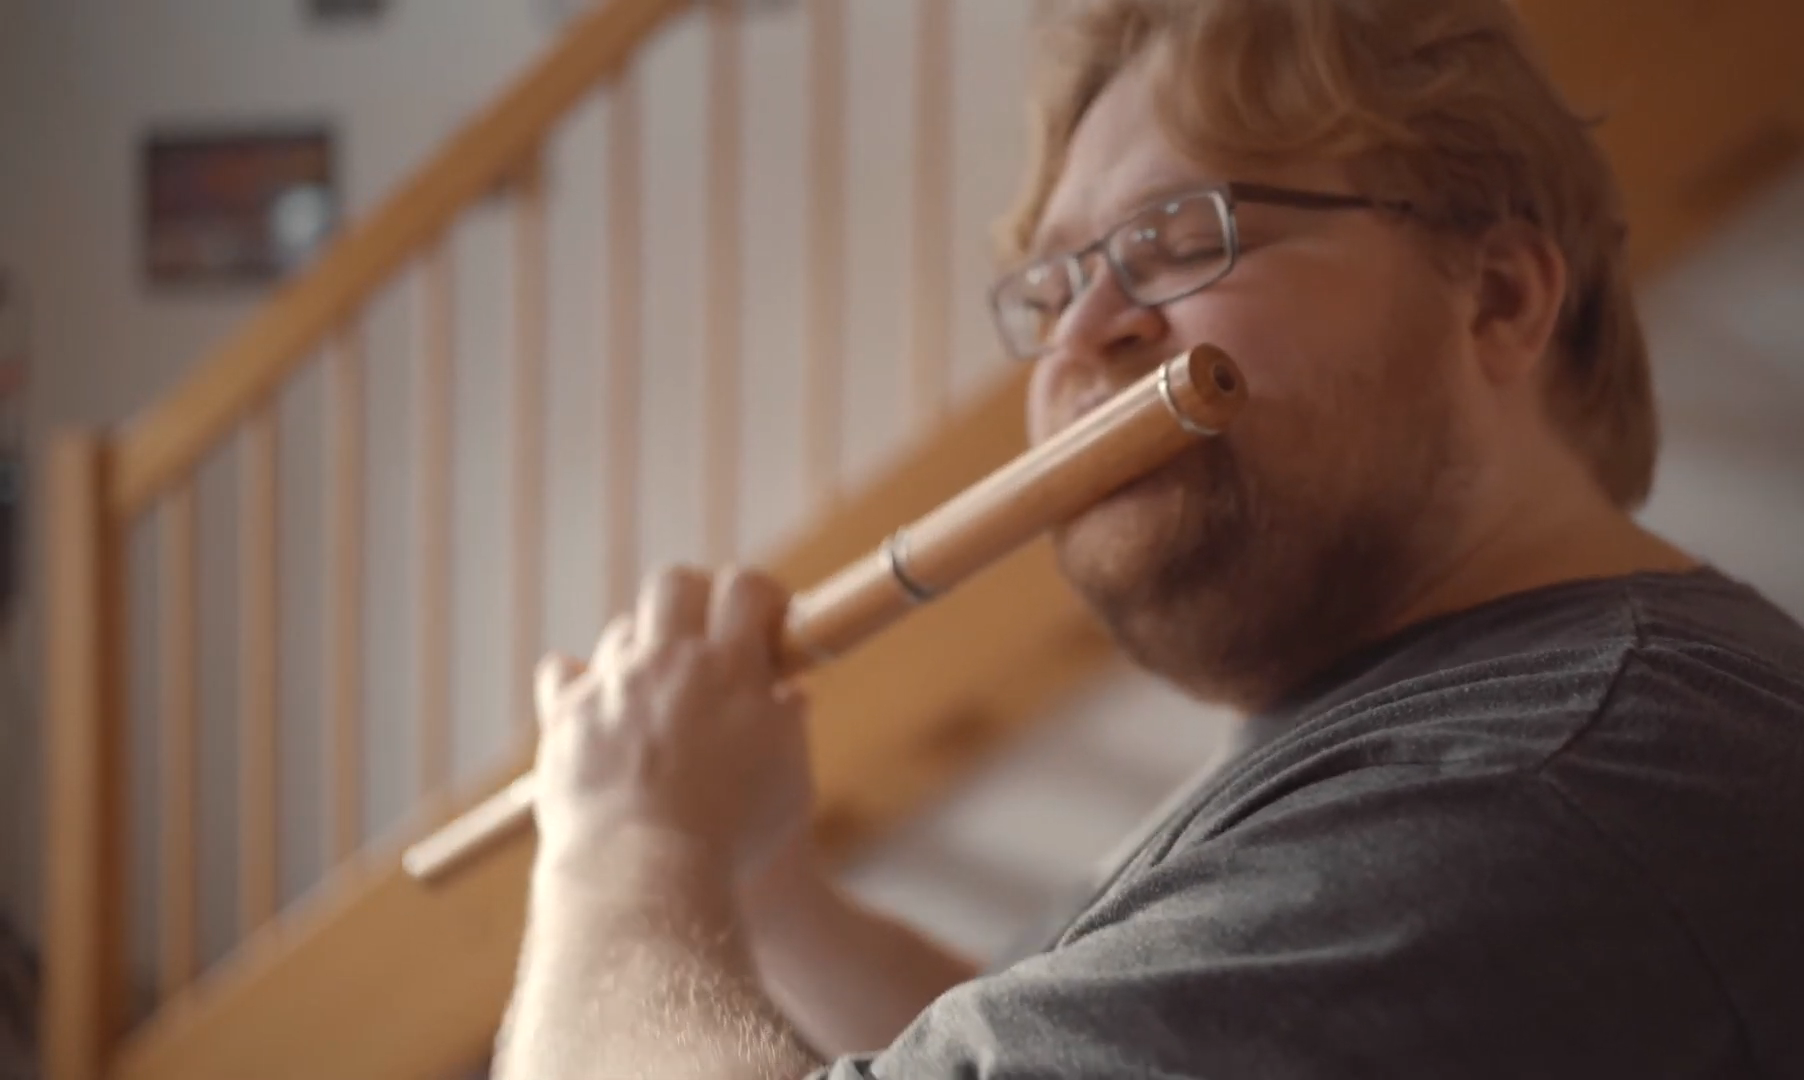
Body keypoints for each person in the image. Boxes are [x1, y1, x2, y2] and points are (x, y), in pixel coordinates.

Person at [491, 0, 1804, 1076]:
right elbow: (1058, 1038)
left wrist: (621, 845)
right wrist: (764, 884)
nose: (1077, 340)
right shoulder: (1451, 728)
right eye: (1054, 285)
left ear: (1500, 299)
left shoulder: (1555, 773)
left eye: (1179, 239)